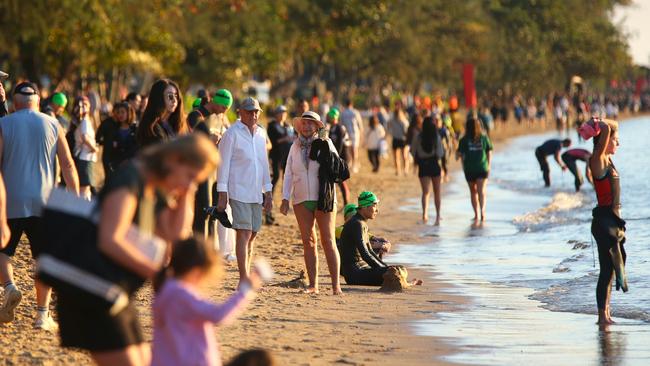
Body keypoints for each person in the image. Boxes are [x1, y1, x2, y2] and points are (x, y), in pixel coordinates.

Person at [56, 134, 218, 365]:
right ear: (174, 159)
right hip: (91, 289)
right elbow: (110, 239)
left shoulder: (155, 187)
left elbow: (176, 237)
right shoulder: (131, 178)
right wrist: (157, 273)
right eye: (190, 176)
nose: (189, 184)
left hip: (116, 291)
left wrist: (187, 194)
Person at [0, 81, 79, 330]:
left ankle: (10, 287)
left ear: (14, 103)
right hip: (45, 201)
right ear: (37, 102)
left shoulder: (3, 123)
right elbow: (67, 165)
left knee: (3, 252)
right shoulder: (54, 123)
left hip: (10, 199)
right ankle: (42, 315)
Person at [152, 237, 261, 366]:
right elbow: (218, 315)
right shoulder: (182, 294)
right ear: (196, 271)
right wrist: (245, 292)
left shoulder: (165, 289)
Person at [279, 111, 342, 295]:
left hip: (324, 198)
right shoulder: (295, 146)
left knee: (328, 240)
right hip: (301, 199)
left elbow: (337, 166)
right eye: (304, 123)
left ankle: (335, 286)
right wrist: (285, 198)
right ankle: (313, 284)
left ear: (317, 127)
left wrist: (324, 147)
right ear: (299, 126)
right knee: (308, 241)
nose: (306, 127)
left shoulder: (326, 143)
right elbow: (289, 173)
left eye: (310, 123)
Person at [216, 97, 272, 287]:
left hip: (256, 192)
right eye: (249, 111)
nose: (253, 114)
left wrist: (269, 191)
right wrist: (222, 193)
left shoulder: (261, 134)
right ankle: (243, 278)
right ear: (240, 112)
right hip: (237, 190)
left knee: (252, 234)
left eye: (256, 111)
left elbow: (264, 164)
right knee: (244, 233)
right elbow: (222, 164)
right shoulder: (232, 133)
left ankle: (245, 273)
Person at [584, 118, 626, 325]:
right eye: (615, 140)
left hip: (613, 222)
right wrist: (597, 122)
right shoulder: (597, 160)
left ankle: (606, 314)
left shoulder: (608, 160)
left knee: (610, 270)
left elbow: (614, 124)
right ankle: (602, 316)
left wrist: (601, 123)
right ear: (605, 140)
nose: (617, 143)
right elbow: (609, 127)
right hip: (603, 222)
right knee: (606, 270)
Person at [187, 89, 234, 244]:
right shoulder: (197, 114)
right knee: (203, 211)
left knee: (214, 213)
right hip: (201, 168)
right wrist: (209, 137)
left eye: (226, 110)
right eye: (222, 108)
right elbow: (194, 131)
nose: (223, 112)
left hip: (215, 170)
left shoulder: (219, 118)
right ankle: (199, 249)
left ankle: (209, 251)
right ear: (215, 102)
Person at [457, 116, 493, 222]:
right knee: (481, 191)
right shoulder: (484, 138)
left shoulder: (463, 140)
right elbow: (489, 152)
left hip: (469, 169)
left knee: (473, 192)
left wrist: (463, 165)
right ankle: (482, 213)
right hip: (482, 167)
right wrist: (489, 165)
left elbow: (460, 155)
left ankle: (476, 214)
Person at [136, 79, 188, 148]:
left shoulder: (175, 124)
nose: (174, 100)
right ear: (159, 98)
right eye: (170, 96)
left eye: (176, 96)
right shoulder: (152, 127)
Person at [411, 116, 444, 225]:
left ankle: (425, 215)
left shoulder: (418, 137)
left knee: (425, 192)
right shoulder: (437, 137)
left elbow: (412, 151)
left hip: (423, 165)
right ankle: (438, 216)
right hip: (434, 164)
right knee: (437, 192)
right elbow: (440, 153)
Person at [71, 96, 99, 200]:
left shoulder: (83, 121)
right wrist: (94, 148)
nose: (83, 107)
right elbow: (85, 137)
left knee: (86, 189)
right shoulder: (85, 122)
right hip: (85, 158)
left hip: (84, 158)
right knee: (84, 189)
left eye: (86, 105)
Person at [267, 105, 292, 203]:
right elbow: (271, 141)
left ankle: (285, 199)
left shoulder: (287, 126)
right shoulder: (272, 126)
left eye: (284, 113)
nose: (282, 115)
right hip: (276, 155)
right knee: (276, 176)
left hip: (286, 155)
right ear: (276, 114)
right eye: (280, 112)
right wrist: (284, 139)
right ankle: (270, 197)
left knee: (286, 178)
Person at [326, 108, 350, 205]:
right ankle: (345, 202)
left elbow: (340, 145)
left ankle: (346, 203)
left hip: (341, 157)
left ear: (333, 117)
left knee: (340, 180)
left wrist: (337, 158)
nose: (327, 118)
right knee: (338, 180)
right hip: (335, 157)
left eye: (329, 116)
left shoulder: (339, 128)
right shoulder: (332, 128)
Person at [340, 98, 363, 173]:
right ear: (351, 104)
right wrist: (361, 133)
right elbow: (360, 124)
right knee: (354, 149)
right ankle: (354, 164)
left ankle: (350, 163)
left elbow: (341, 124)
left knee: (348, 149)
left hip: (346, 133)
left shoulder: (343, 113)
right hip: (355, 132)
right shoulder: (355, 112)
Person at [388, 101, 410, 176]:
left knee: (398, 157)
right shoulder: (403, 120)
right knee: (404, 156)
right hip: (402, 139)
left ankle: (399, 170)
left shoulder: (394, 119)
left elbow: (388, 126)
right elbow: (406, 130)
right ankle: (404, 170)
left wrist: (391, 133)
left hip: (397, 139)